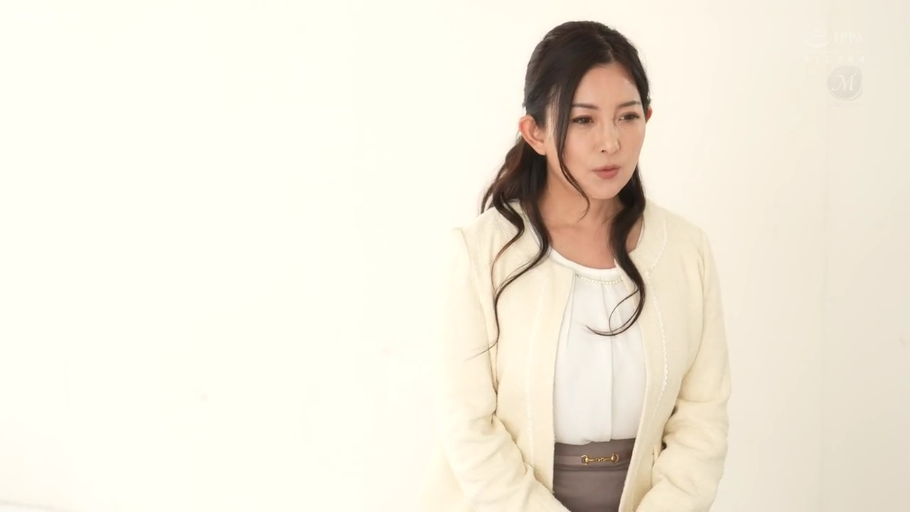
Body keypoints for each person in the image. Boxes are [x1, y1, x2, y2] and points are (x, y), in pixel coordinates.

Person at [419, 20, 731, 512]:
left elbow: (702, 417)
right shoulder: (480, 252)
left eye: (628, 117)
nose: (610, 142)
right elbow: (468, 425)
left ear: (648, 118)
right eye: (583, 120)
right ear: (536, 132)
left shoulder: (685, 250)